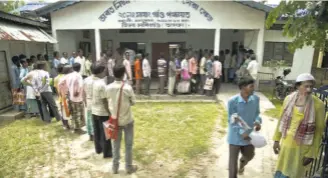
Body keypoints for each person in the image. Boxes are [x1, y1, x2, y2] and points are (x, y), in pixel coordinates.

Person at [273, 73, 325, 178]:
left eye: (311, 86)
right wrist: (276, 140)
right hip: (286, 145)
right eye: (306, 86)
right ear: (298, 86)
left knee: (295, 174)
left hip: (303, 148)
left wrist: (312, 154)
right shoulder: (288, 99)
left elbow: (319, 131)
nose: (309, 90)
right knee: (281, 172)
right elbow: (281, 120)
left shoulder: (318, 104)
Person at [106, 64, 137, 174]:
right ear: (124, 74)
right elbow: (133, 102)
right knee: (128, 145)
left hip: (114, 121)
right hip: (127, 120)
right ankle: (128, 167)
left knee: (115, 146)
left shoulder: (108, 87)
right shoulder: (128, 88)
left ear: (113, 73)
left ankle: (115, 168)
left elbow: (106, 101)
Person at [227, 77, 262, 178]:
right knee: (232, 164)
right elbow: (232, 119)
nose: (253, 88)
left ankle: (242, 164)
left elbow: (257, 113)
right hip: (235, 137)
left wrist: (258, 121)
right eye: (251, 86)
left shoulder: (255, 99)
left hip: (249, 136)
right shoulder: (233, 101)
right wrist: (241, 132)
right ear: (243, 87)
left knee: (250, 155)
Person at [91, 61, 112, 158]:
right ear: (101, 71)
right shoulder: (101, 84)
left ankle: (98, 149)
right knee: (106, 133)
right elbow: (105, 101)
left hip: (94, 110)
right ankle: (107, 153)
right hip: (102, 112)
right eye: (104, 70)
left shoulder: (93, 81)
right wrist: (109, 112)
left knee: (97, 132)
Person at [59, 63, 85, 133]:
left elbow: (60, 84)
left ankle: (75, 127)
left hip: (71, 98)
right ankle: (78, 129)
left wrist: (64, 93)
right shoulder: (77, 75)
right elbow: (81, 84)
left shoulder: (66, 76)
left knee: (74, 113)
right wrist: (77, 91)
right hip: (78, 97)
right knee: (78, 113)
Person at [54, 64, 70, 129]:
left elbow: (56, 89)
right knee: (68, 111)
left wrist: (59, 96)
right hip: (67, 96)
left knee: (62, 111)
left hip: (61, 97)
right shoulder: (66, 77)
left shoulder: (56, 78)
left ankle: (65, 124)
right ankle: (68, 124)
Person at [83, 67, 95, 141]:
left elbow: (83, 92)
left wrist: (85, 101)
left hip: (89, 100)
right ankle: (95, 134)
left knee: (89, 118)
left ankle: (90, 134)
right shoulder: (99, 80)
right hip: (96, 101)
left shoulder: (86, 80)